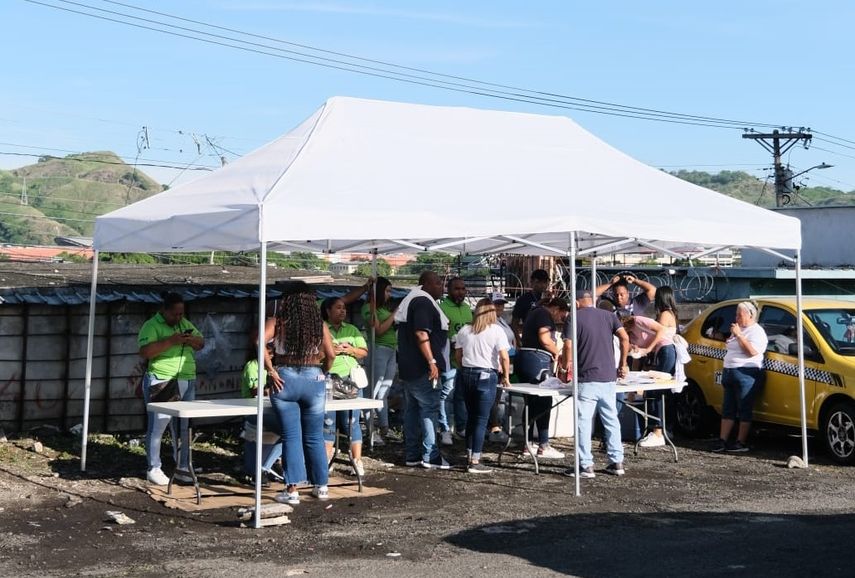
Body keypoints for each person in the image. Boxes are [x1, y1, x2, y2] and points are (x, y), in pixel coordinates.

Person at [261, 281, 337, 504]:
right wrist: (322, 371)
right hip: (314, 378)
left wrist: (271, 370)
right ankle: (321, 486)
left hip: (284, 379)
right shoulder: (319, 325)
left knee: (291, 436)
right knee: (315, 435)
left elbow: (259, 343)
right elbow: (331, 355)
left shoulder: (278, 322)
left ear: (288, 301)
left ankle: (292, 491)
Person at [138, 292, 205, 486]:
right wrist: (171, 341)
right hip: (162, 379)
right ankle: (154, 467)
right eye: (174, 314)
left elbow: (201, 343)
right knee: (158, 425)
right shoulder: (151, 326)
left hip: (186, 378)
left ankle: (183, 466)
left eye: (181, 314)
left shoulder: (185, 324)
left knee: (185, 427)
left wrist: (190, 340)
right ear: (164, 310)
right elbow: (145, 352)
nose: (178, 318)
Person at [563, 290, 630, 478]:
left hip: (587, 376)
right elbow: (625, 338)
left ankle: (586, 465)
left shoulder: (573, 317)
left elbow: (568, 345)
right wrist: (623, 363)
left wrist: (565, 365)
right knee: (611, 418)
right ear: (593, 301)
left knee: (584, 421)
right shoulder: (609, 316)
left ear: (576, 303)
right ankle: (617, 462)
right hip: (608, 375)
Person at [394, 271, 451, 469]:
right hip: (422, 368)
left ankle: (412, 454)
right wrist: (432, 361)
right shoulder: (422, 302)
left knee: (413, 410)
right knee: (429, 409)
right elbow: (421, 332)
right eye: (437, 283)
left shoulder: (413, 300)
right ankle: (430, 455)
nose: (441, 287)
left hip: (410, 367)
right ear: (425, 284)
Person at [454, 298, 511, 473]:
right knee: (481, 419)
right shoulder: (496, 331)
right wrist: (506, 376)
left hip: (467, 374)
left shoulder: (465, 330)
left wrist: (464, 367)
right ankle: (475, 461)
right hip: (486, 374)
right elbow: (504, 357)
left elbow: (458, 355)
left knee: (472, 417)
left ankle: (470, 454)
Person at [515, 297, 570, 460]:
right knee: (544, 401)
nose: (560, 320)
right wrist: (557, 353)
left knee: (530, 403)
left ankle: (528, 442)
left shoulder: (534, 312)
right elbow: (545, 339)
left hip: (526, 358)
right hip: (537, 360)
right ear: (556, 309)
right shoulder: (544, 315)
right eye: (561, 316)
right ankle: (543, 444)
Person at [711, 301, 768, 453]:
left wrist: (739, 335)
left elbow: (752, 351)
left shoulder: (756, 332)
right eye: (736, 314)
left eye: (739, 315)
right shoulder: (737, 329)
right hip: (730, 371)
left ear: (750, 315)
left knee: (744, 407)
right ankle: (723, 439)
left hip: (746, 372)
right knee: (728, 407)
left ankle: (741, 441)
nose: (736, 317)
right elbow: (731, 346)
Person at [321, 297, 369, 476]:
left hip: (351, 381)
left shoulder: (352, 330)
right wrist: (330, 350)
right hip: (328, 380)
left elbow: (364, 352)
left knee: (352, 421)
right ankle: (326, 458)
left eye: (344, 308)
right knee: (328, 421)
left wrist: (349, 349)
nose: (342, 311)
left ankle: (357, 460)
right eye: (338, 308)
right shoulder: (322, 328)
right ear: (328, 310)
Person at [632, 286, 679, 447]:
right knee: (661, 391)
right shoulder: (671, 313)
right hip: (666, 352)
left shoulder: (665, 314)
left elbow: (658, 333)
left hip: (665, 351)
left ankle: (657, 430)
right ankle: (663, 428)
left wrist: (647, 349)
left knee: (655, 389)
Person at [361, 276, 398, 444]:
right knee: (373, 391)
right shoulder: (368, 308)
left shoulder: (383, 309)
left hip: (390, 350)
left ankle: (385, 427)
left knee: (384, 391)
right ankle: (370, 429)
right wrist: (395, 314)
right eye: (387, 291)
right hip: (378, 349)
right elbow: (379, 330)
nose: (390, 294)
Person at [240, 345, 282, 484]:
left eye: (271, 354)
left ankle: (264, 467)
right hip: (253, 409)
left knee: (291, 429)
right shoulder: (253, 366)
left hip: (269, 409)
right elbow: (256, 392)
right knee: (289, 429)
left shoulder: (273, 368)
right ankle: (264, 467)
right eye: (268, 354)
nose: (271, 357)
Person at [438, 277, 473, 445]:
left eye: (463, 288)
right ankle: (444, 429)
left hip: (466, 361)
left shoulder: (467, 309)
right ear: (449, 290)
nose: (460, 292)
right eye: (457, 289)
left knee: (461, 396)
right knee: (447, 395)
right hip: (448, 360)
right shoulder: (442, 307)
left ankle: (461, 427)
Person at [486, 291, 515, 443]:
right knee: (494, 398)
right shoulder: (491, 322)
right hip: (496, 364)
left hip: (506, 362)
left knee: (500, 398)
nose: (499, 307)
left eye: (501, 304)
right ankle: (494, 427)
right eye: (496, 304)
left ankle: (497, 426)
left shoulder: (501, 320)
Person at [511, 269, 551, 344]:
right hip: (530, 340)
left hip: (547, 339)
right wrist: (518, 339)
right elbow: (514, 322)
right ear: (532, 282)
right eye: (538, 282)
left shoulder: (549, 299)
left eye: (545, 282)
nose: (542, 285)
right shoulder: (524, 299)